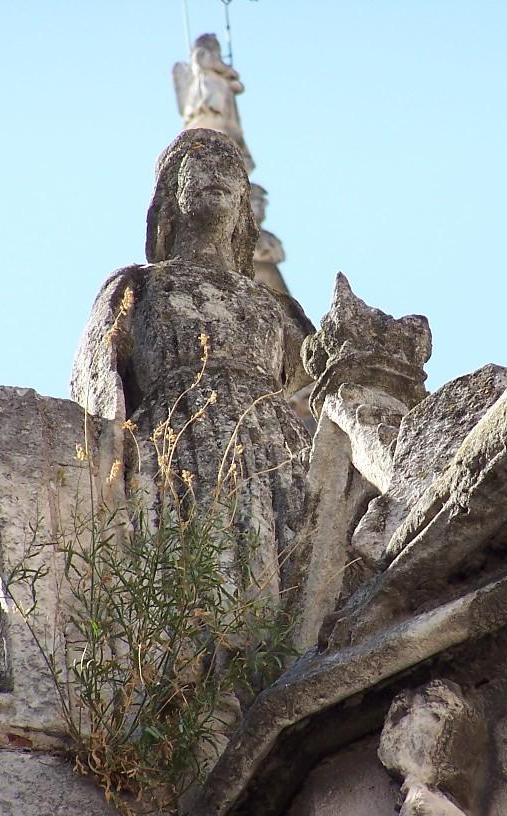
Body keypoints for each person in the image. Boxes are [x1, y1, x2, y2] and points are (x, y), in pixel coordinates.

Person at [71, 128, 311, 603]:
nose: (215, 175)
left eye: (229, 170)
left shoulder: (277, 307)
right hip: (181, 443)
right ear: (172, 196)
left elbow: (326, 383)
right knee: (202, 579)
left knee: (289, 570)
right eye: (198, 165)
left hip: (276, 445)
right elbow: (96, 386)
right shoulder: (138, 287)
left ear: (245, 201)